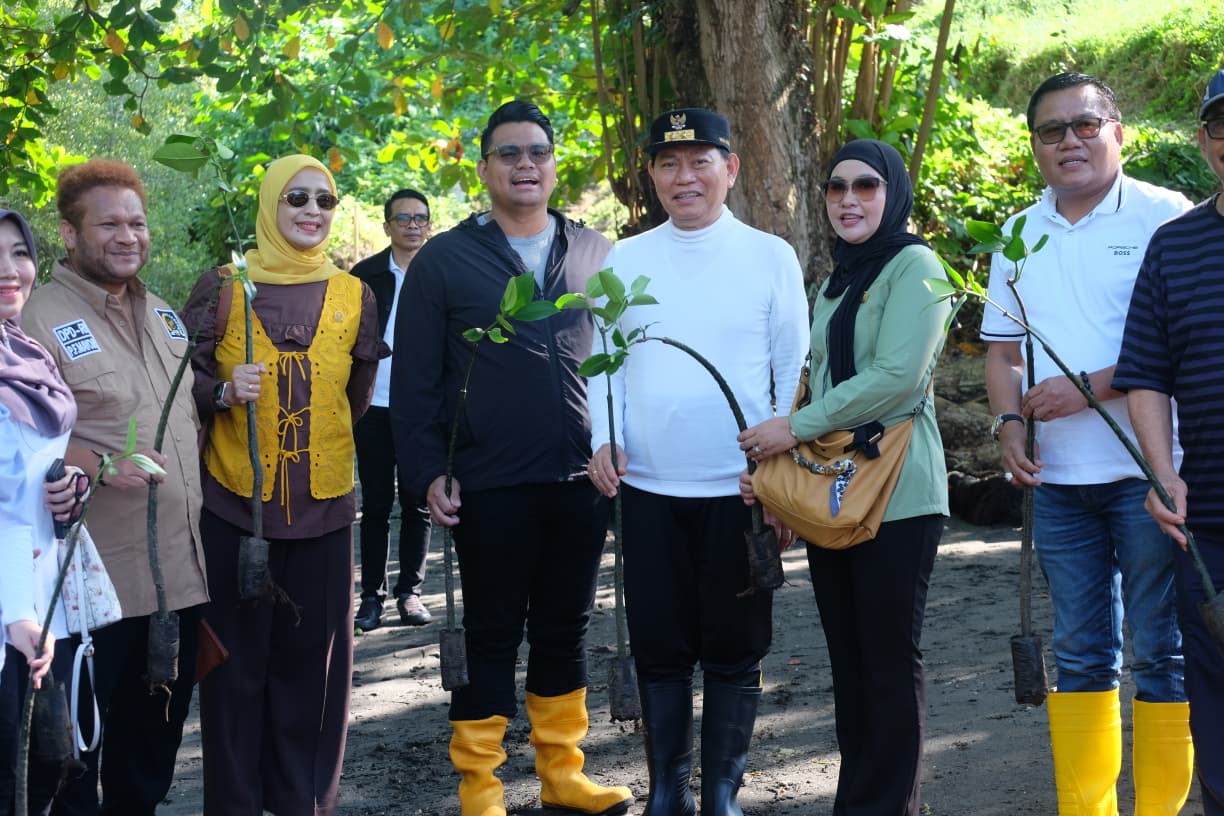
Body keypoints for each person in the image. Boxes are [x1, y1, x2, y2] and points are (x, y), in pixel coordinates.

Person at [392, 100, 632, 816]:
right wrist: (427, 472)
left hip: (581, 478)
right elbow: (414, 382)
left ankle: (563, 774)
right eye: (509, 153)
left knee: (567, 626)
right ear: (484, 168)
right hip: (487, 482)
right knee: (491, 631)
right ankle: (481, 787)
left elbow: (624, 364)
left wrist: (618, 441)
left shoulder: (596, 253)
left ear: (554, 165)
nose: (525, 165)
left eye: (538, 152)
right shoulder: (443, 260)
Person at [980, 72, 1194, 815]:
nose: (1069, 141)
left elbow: (1185, 343)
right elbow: (1002, 353)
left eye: (1086, 124)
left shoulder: (1167, 217)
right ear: (1034, 145)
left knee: (1161, 651)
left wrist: (1088, 387)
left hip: (1151, 475)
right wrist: (1009, 425)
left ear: (1118, 132)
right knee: (1078, 652)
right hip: (1058, 479)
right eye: (1051, 130)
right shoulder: (1017, 233)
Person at [586, 107, 807, 815]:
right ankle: (667, 792)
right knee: (660, 645)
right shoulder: (625, 260)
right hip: (648, 485)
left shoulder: (769, 256)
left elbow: (790, 372)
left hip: (738, 489)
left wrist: (778, 475)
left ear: (730, 169)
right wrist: (603, 439)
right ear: (651, 175)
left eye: (700, 162)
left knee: (736, 647)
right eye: (668, 164)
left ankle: (720, 794)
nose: (685, 178)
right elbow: (605, 366)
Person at [739, 139, 950, 816]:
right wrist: (782, 474)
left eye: (866, 186)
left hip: (900, 493)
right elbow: (824, 384)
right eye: (836, 187)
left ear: (894, 193)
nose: (849, 199)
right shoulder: (836, 280)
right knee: (851, 663)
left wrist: (792, 428)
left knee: (887, 660)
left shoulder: (917, 267)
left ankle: (887, 806)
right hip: (839, 488)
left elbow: (897, 378)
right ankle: (859, 802)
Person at [179, 154, 384, 815]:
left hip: (324, 512)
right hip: (234, 510)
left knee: (312, 674)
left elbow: (355, 398)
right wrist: (221, 392)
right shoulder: (223, 288)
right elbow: (178, 386)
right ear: (270, 204)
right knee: (233, 672)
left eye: (325, 200)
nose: (312, 211)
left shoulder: (356, 295)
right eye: (296, 198)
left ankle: (301, 803)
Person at [21, 159, 208, 815]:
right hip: (89, 591)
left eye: (137, 222)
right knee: (74, 762)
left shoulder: (163, 314)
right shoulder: (36, 320)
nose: (128, 236)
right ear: (70, 233)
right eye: (109, 225)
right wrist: (98, 464)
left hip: (175, 582)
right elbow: (21, 441)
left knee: (149, 758)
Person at [1113, 67, 1224, 816]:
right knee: (1214, 692)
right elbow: (1147, 373)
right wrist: (1161, 473)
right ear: (1204, 139)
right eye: (1221, 125)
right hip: (1209, 519)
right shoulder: (1173, 246)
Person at [0, 207, 89, 815]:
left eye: (19, 253)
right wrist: (16, 614)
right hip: (15, 613)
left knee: (40, 774)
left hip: (37, 601)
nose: (10, 270)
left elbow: (27, 473)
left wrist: (70, 487)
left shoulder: (25, 351)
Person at [350, 188, 433, 631]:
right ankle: (371, 597)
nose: (413, 225)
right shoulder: (364, 276)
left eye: (420, 218)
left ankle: (410, 593)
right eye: (403, 218)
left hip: (422, 408)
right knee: (377, 505)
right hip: (374, 406)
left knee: (419, 502)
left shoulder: (440, 271)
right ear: (387, 226)